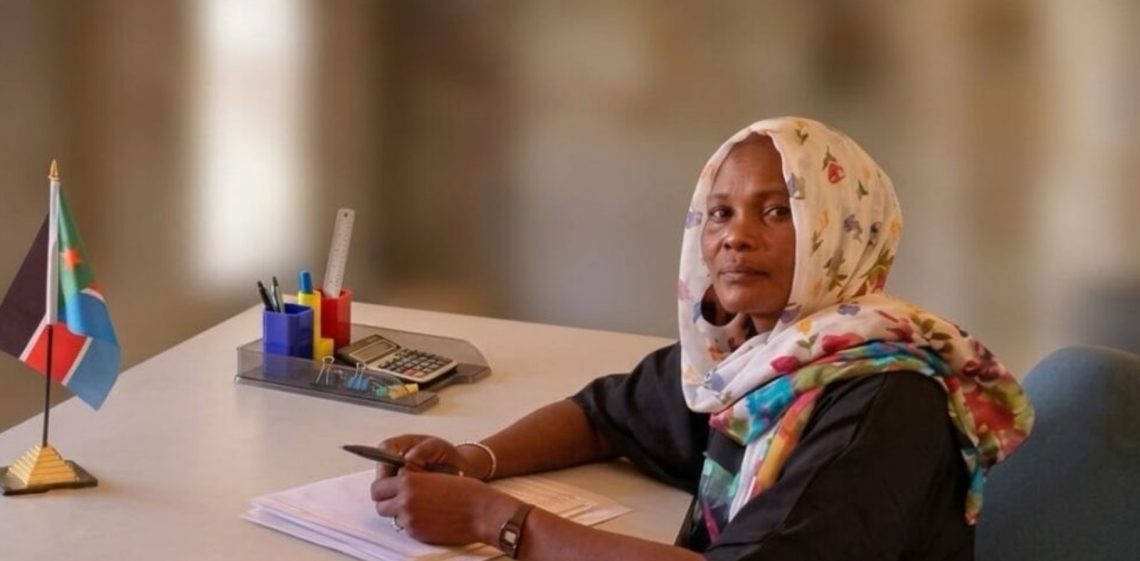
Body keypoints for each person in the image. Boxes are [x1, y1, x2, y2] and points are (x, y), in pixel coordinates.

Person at [369, 117, 1034, 561]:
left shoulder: (882, 400)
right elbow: (605, 415)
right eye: (720, 212)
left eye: (778, 211)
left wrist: (495, 522)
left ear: (841, 234)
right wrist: (474, 460)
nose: (735, 236)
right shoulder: (762, 355)